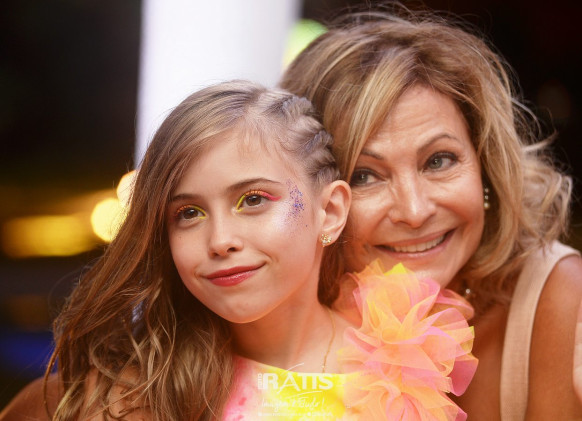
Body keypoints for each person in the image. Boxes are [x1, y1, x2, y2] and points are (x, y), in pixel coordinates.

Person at [0, 80, 476, 420]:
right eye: (188, 213)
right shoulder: (117, 398)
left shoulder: (403, 369)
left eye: (252, 200)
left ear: (330, 211)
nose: (220, 240)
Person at [279, 5, 582, 420]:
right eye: (365, 176)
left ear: (485, 166)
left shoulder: (558, 295)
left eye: (438, 161)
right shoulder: (271, 317)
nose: (415, 211)